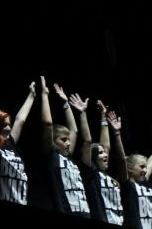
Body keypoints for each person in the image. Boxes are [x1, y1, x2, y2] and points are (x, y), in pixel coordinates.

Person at [0, 78, 36, 205]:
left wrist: (31, 95)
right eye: (3, 125)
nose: (9, 128)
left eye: (9, 124)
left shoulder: (11, 144)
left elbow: (20, 119)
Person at [39, 77, 90, 218]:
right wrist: (44, 94)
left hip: (85, 212)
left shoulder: (68, 158)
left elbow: (74, 131)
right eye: (63, 140)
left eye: (68, 140)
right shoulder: (51, 156)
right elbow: (48, 124)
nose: (68, 143)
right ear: (53, 142)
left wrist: (66, 103)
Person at [121, 128, 152, 229]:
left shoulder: (144, 182)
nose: (145, 170)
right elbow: (121, 158)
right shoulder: (127, 185)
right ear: (130, 168)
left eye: (145, 167)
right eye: (142, 167)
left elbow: (151, 165)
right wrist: (117, 134)